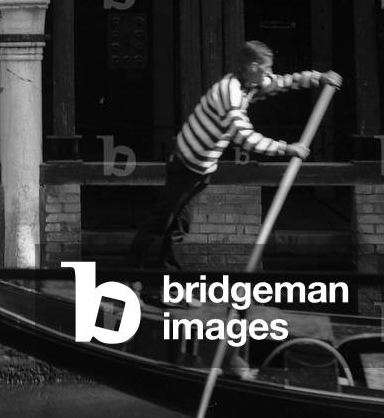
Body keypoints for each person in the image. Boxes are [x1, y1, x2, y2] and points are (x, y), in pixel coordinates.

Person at [126, 40, 343, 284]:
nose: (269, 73)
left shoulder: (250, 84)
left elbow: (283, 82)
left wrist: (319, 77)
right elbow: (244, 137)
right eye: (266, 67)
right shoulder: (229, 92)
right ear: (252, 66)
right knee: (161, 222)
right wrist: (286, 148)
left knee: (178, 228)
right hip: (184, 166)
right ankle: (130, 276)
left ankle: (167, 287)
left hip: (201, 169)